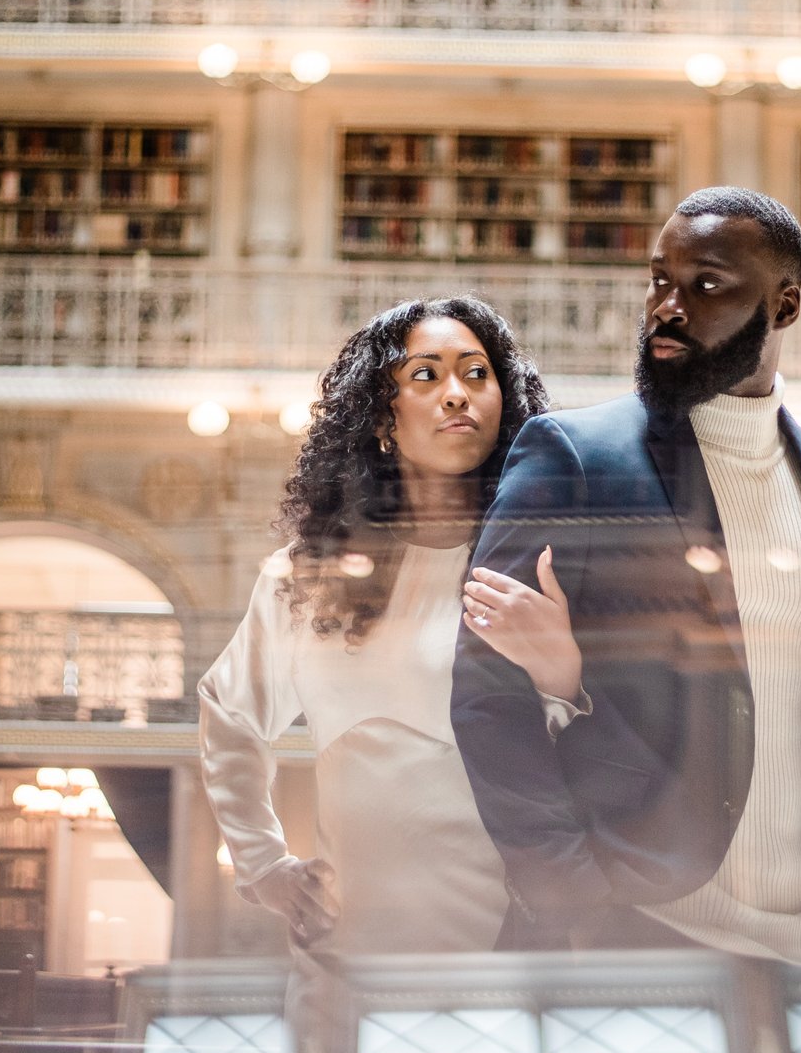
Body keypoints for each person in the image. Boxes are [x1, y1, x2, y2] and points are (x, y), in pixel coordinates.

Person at [451, 188, 801, 966]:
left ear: (783, 306)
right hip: (644, 931)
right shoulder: (574, 457)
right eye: (659, 280)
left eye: (707, 285)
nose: (667, 307)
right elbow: (488, 698)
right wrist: (573, 896)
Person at [197, 298, 583, 953]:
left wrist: (563, 674)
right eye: (427, 375)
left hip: (514, 944)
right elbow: (228, 713)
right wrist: (265, 867)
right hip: (349, 950)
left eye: (476, 373)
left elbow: (601, 752)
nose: (457, 394)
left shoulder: (542, 565)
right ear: (382, 414)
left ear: (504, 402)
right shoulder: (312, 576)